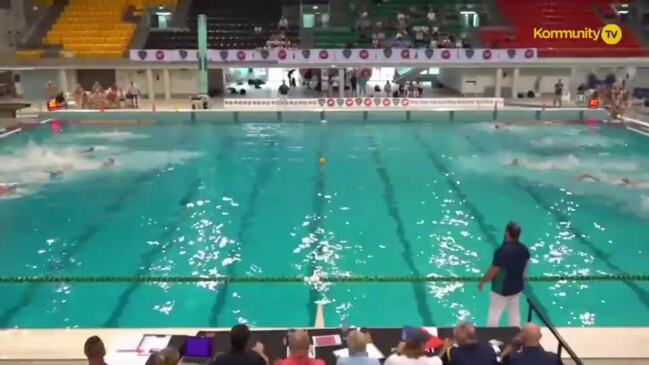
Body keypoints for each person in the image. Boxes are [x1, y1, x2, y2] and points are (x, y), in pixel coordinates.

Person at [479, 221, 530, 327]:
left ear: (507, 233)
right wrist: (524, 277)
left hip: (501, 290)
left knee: (494, 315)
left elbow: (493, 270)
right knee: (514, 314)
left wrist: (483, 281)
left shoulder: (502, 251)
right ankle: (516, 334)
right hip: (517, 288)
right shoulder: (524, 249)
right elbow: (526, 266)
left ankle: (491, 337)